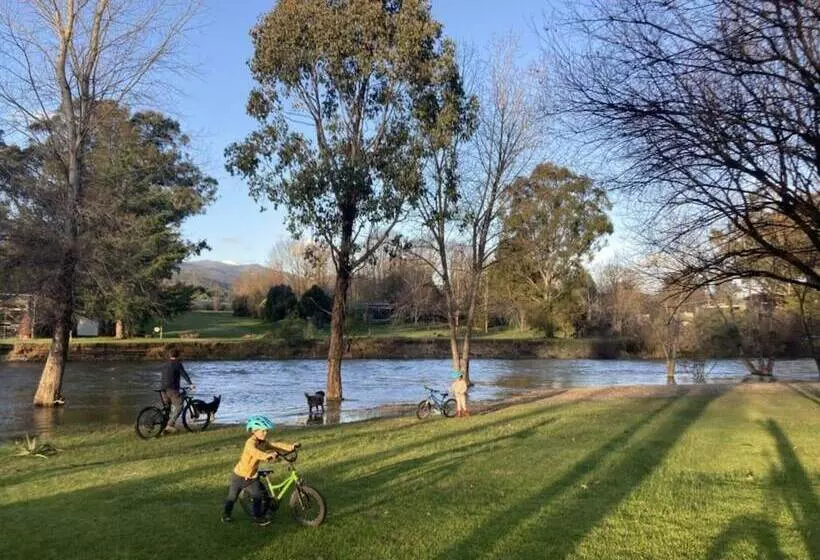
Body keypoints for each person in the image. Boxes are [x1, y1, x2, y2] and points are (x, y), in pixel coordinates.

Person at [222, 415, 298, 526]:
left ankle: (257, 518)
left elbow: (275, 445)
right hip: (239, 476)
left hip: (252, 477)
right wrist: (267, 456)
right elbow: (255, 453)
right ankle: (226, 515)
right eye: (263, 431)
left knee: (258, 496)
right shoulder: (250, 443)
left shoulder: (262, 442)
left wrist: (291, 447)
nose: (265, 433)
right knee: (232, 498)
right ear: (254, 431)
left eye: (266, 431)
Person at [160, 348, 193, 432]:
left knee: (167, 408)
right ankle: (170, 425)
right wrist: (190, 384)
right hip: (172, 389)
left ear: (169, 355)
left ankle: (164, 427)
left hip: (163, 389)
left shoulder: (164, 364)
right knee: (179, 406)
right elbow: (184, 374)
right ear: (178, 355)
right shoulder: (177, 364)